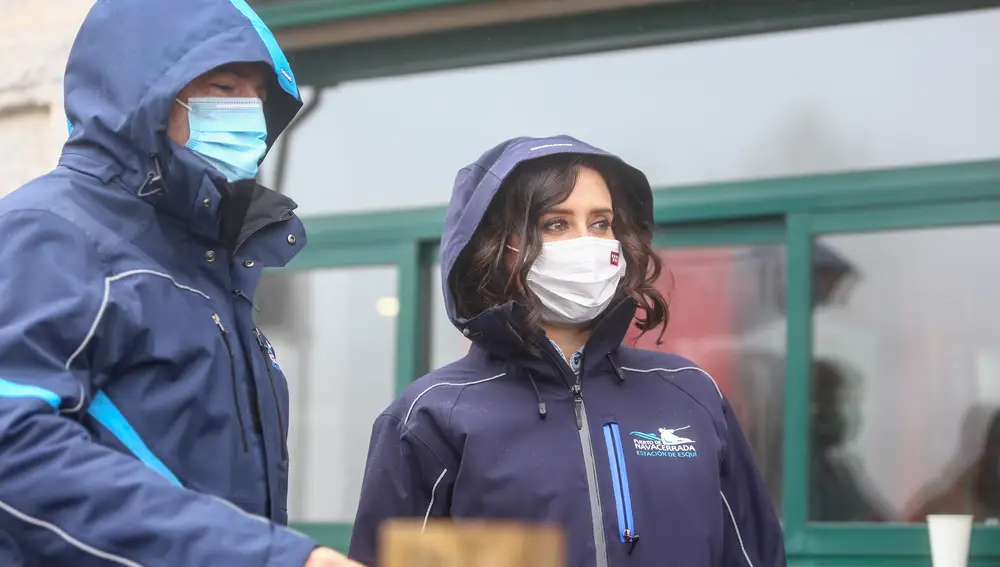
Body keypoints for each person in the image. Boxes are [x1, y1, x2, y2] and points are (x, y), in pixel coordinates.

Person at [0, 1, 358, 566]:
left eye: (259, 96)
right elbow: (11, 443)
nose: (247, 113)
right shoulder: (49, 232)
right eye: (222, 85)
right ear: (141, 90)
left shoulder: (209, 263)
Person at [349, 135, 786, 566]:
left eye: (600, 223)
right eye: (555, 223)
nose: (589, 243)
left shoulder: (690, 396)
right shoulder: (433, 416)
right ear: (497, 246)